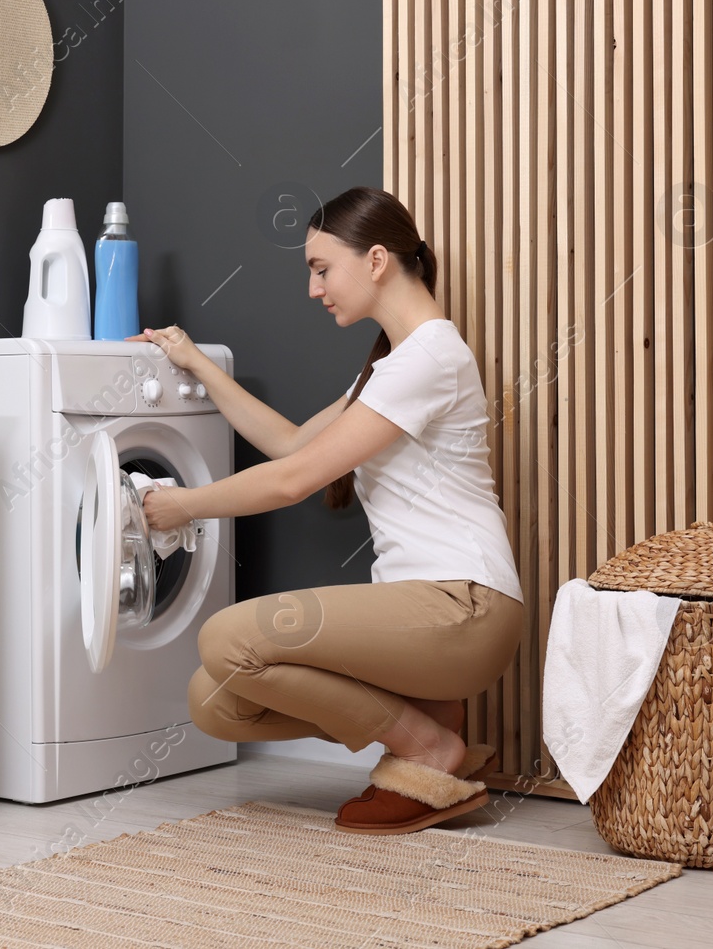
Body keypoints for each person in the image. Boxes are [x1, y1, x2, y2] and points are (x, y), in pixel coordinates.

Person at [130, 187, 524, 834]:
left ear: (375, 260)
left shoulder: (429, 358)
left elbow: (294, 479)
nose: (315, 289)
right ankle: (425, 727)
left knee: (227, 640)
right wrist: (195, 360)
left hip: (465, 606)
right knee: (214, 700)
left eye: (320, 268)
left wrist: (183, 507)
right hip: (426, 615)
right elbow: (291, 443)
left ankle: (427, 748)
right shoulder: (394, 368)